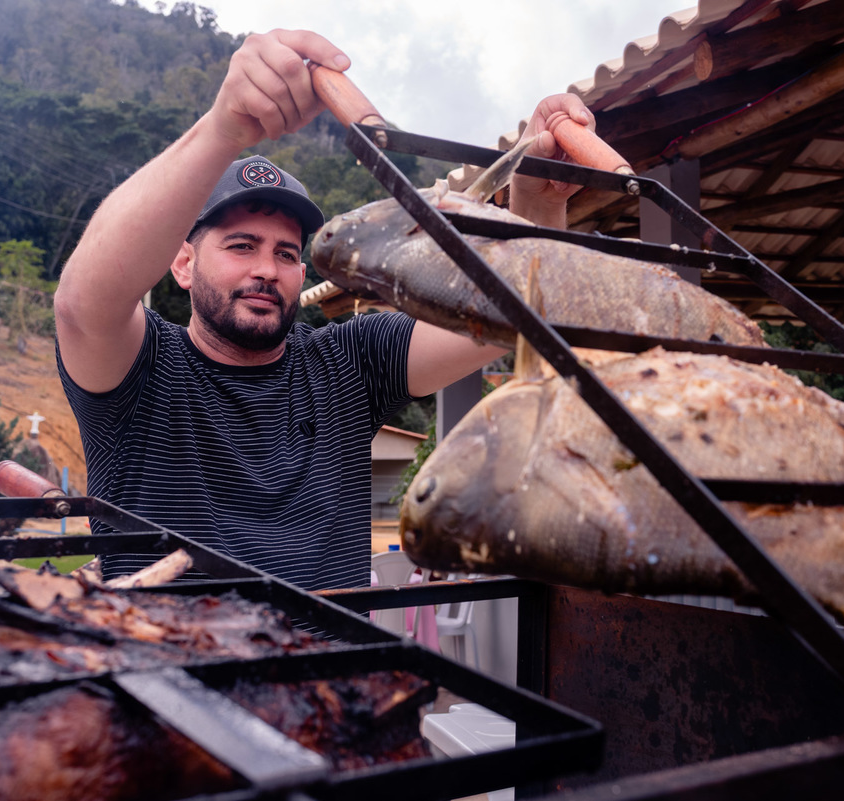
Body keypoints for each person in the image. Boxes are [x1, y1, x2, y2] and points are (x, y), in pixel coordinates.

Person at [54, 29, 595, 591]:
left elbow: (502, 317)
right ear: (184, 264)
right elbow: (80, 305)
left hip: (336, 676)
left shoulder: (347, 363)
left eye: (286, 253)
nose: (267, 268)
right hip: (171, 676)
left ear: (302, 274)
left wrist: (536, 203)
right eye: (242, 246)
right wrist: (223, 130)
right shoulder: (139, 368)